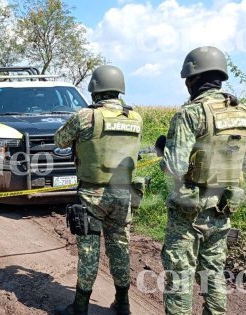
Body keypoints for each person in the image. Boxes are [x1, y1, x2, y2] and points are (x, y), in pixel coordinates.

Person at [159, 46, 246, 315]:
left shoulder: (190, 113)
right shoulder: (242, 112)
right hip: (222, 207)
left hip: (189, 211)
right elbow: (241, 163)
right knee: (213, 272)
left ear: (193, 79)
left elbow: (175, 167)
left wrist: (162, 152)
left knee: (180, 276)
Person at [54, 65, 143, 315]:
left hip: (92, 195)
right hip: (124, 194)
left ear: (95, 89)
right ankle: (123, 304)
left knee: (89, 250)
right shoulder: (135, 117)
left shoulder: (86, 116)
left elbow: (59, 140)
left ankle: (80, 307)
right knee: (120, 247)